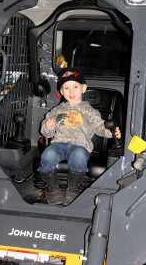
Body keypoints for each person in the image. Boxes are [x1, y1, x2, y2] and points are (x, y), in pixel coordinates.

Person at [39, 68, 121, 205]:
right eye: (66, 88)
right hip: (59, 144)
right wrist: (49, 124)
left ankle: (73, 189)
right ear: (61, 92)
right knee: (47, 155)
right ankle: (52, 189)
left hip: (81, 145)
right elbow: (45, 132)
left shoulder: (89, 111)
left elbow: (100, 127)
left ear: (83, 88)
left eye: (75, 87)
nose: (71, 91)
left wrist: (111, 131)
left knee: (79, 156)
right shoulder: (57, 110)